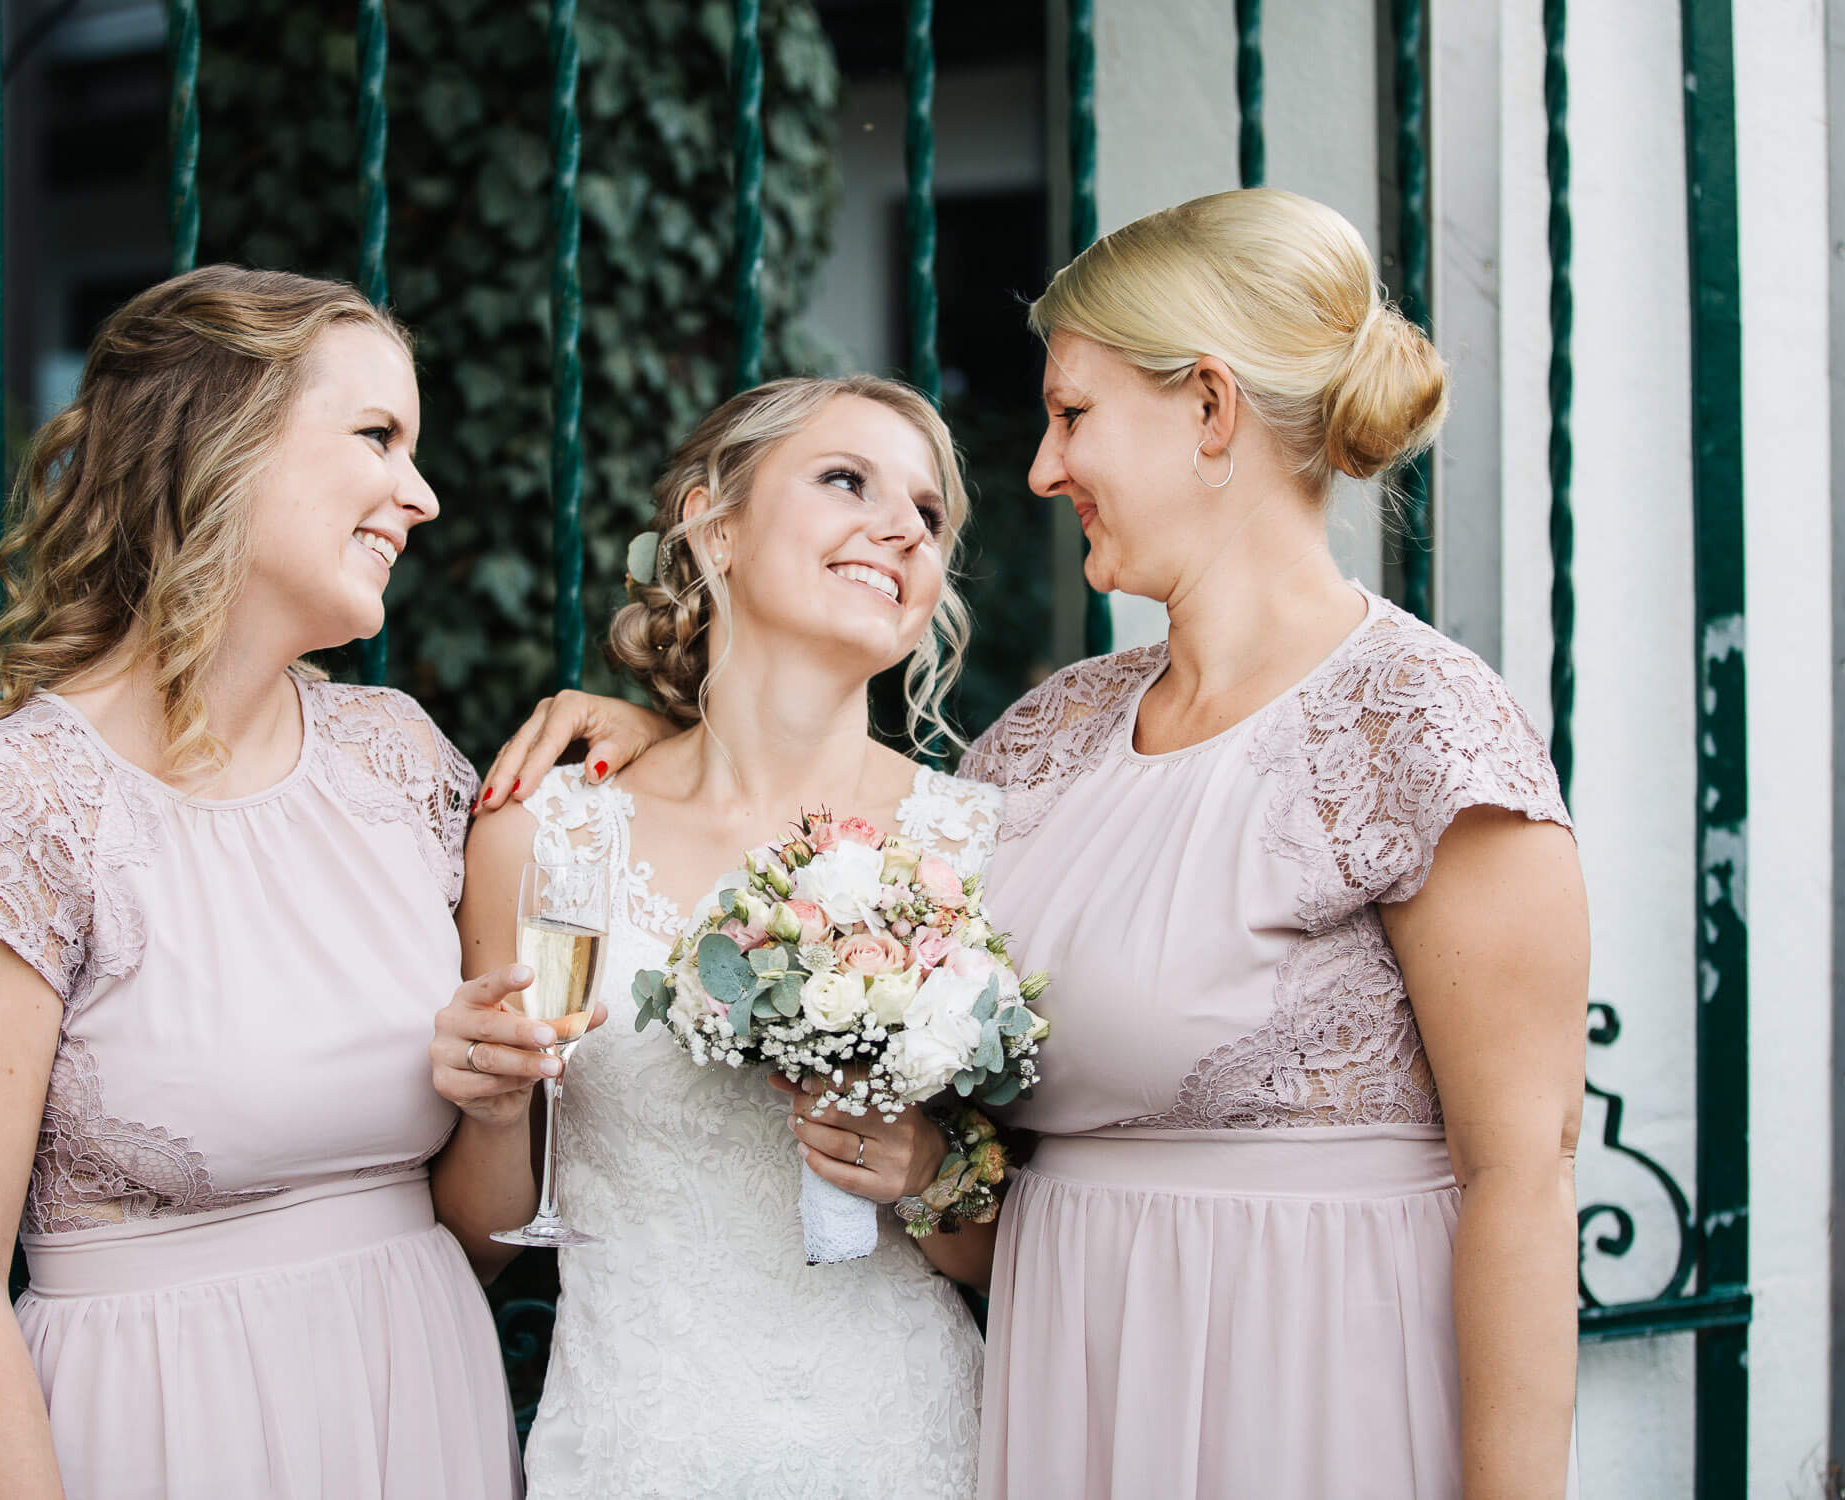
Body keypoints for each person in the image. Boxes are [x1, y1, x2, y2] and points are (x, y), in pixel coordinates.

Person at [479, 189, 1586, 1500]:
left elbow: (1523, 1169)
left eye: (1070, 416)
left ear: (1210, 410)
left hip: (1300, 1377)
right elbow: (953, 1099)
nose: (1040, 471)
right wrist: (652, 717)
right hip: (1065, 1390)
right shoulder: (1045, 743)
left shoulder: (1418, 722)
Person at [0, 266, 521, 1500]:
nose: (421, 496)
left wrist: (495, 1100)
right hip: (169, 1427)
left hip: (421, 1398)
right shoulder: (19, 804)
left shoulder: (402, 762)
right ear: (219, 440)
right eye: (378, 436)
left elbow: (484, 1231)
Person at [429, 376, 997, 1499]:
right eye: (847, 480)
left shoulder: (978, 844)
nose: (901, 529)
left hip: (908, 1447)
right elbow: (484, 1242)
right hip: (635, 1446)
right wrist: (493, 1111)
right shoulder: (544, 839)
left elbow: (1010, 1254)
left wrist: (928, 1172)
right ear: (711, 523)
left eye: (929, 517)